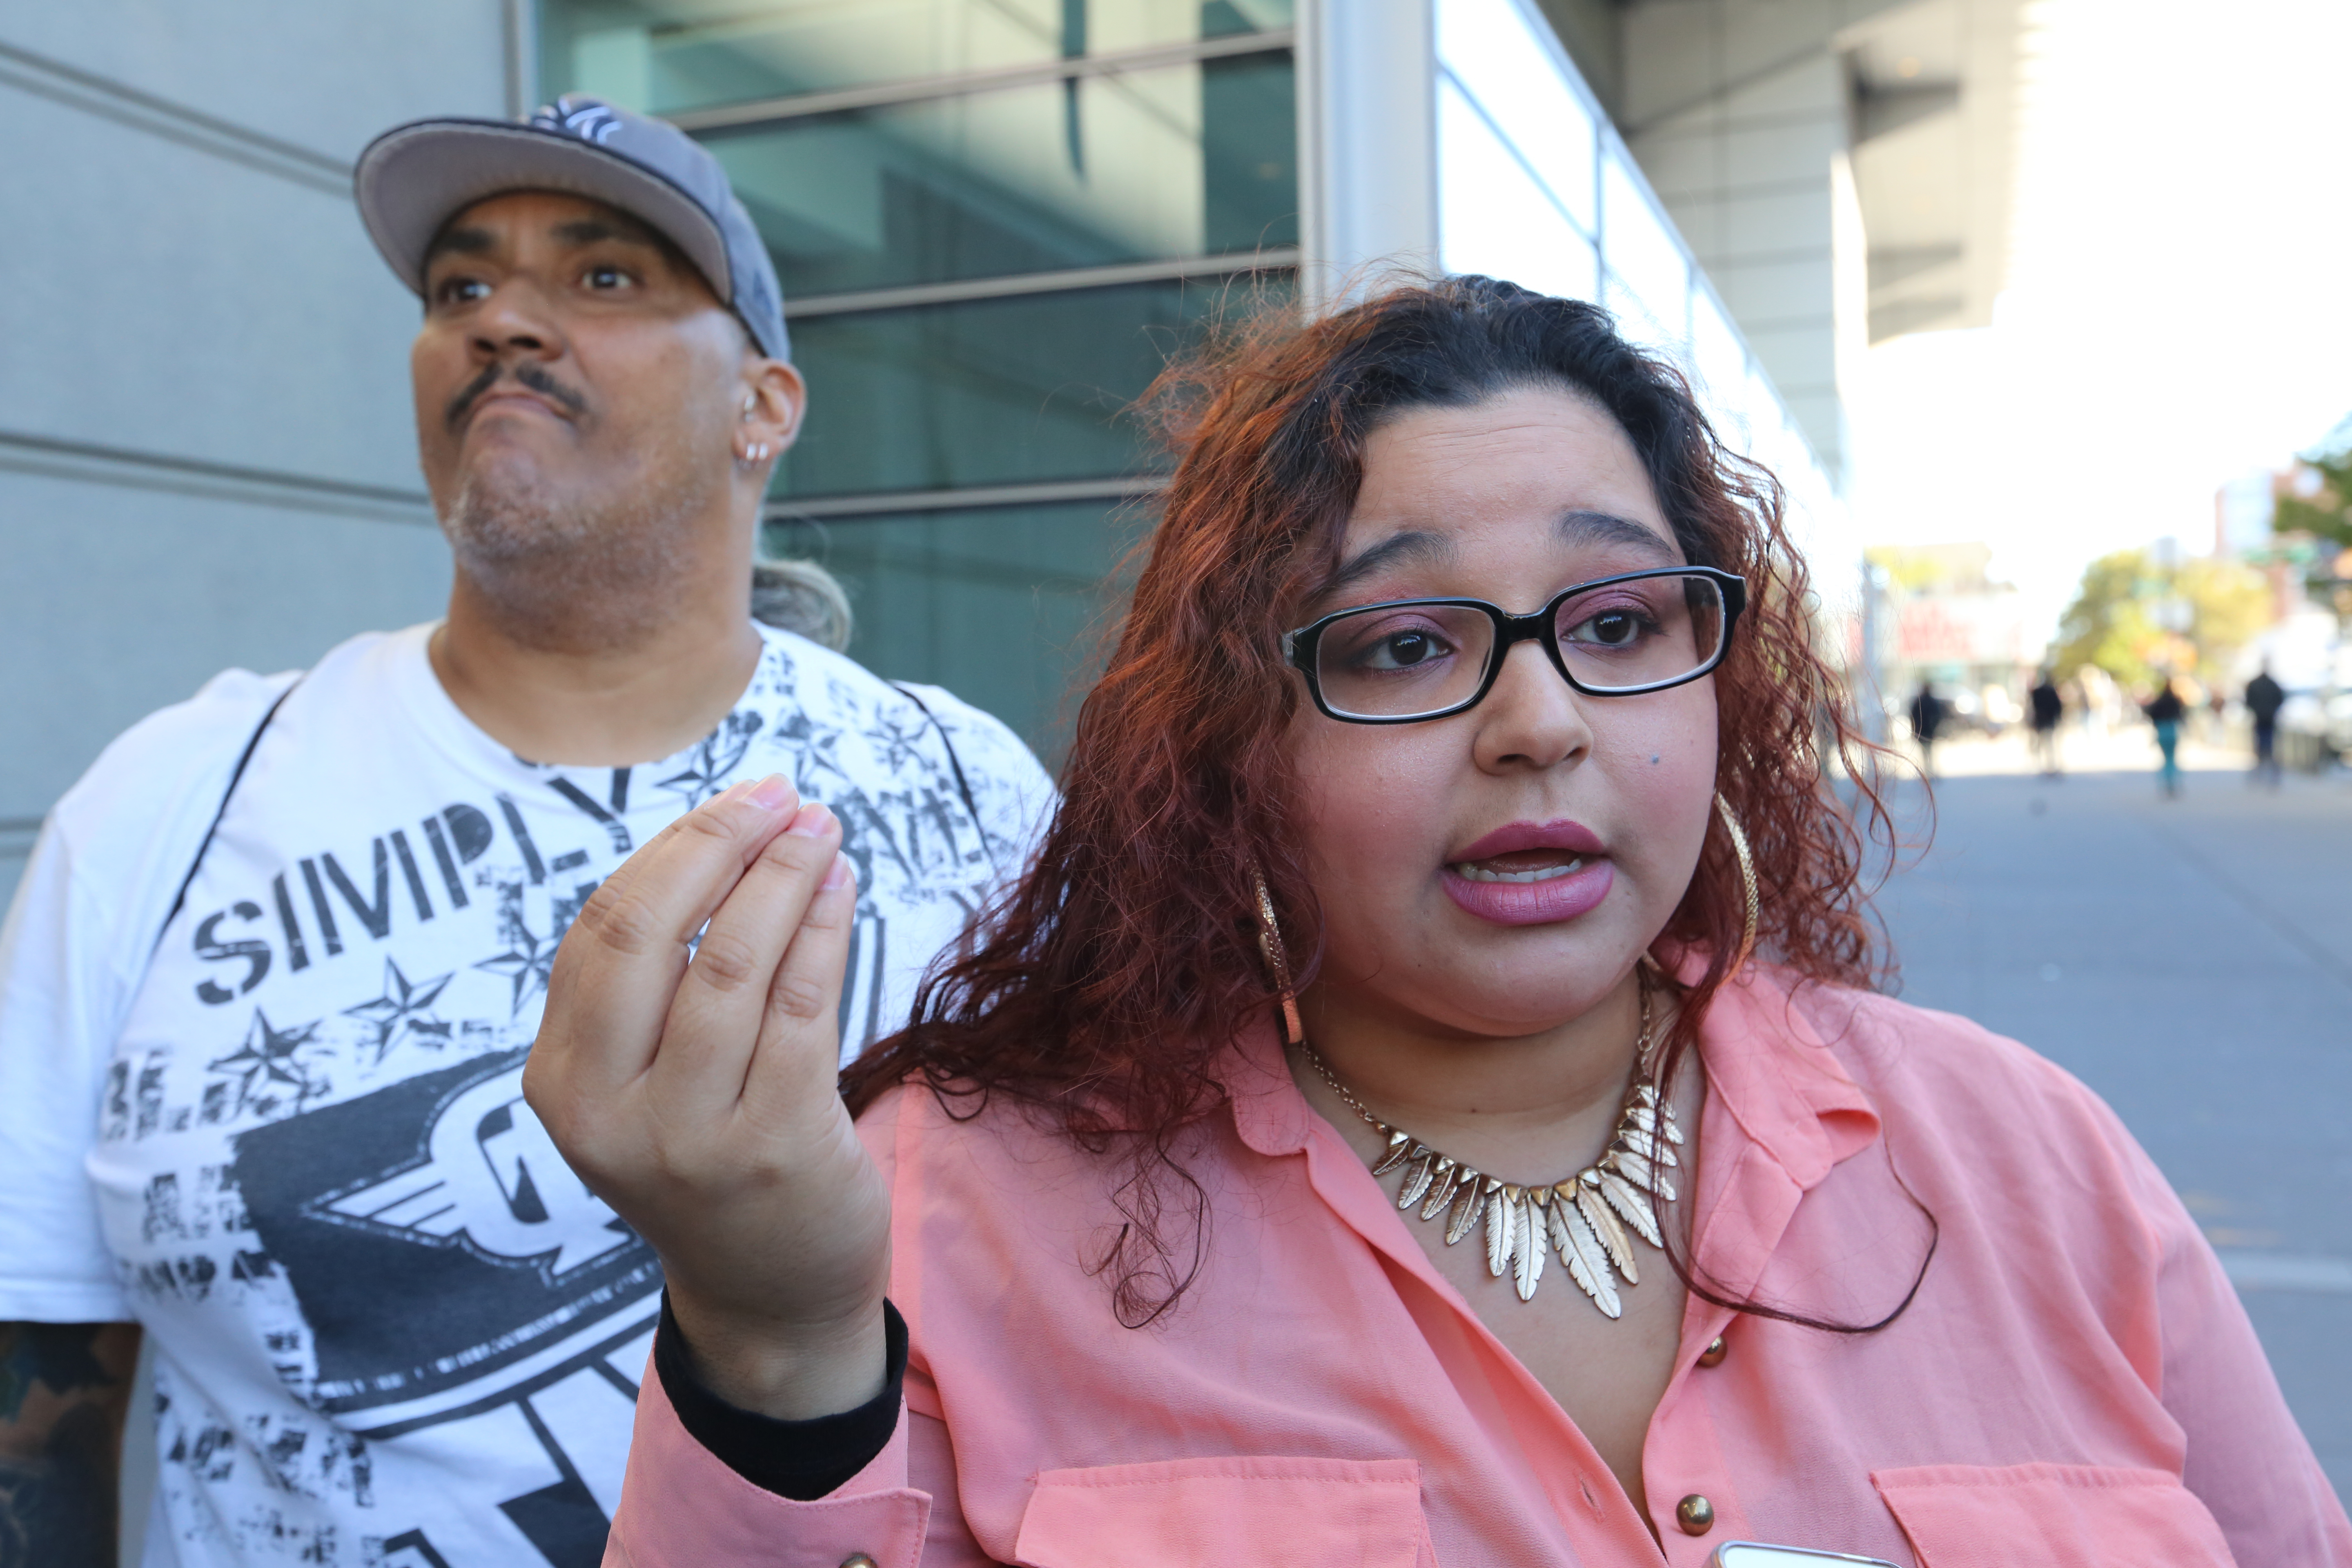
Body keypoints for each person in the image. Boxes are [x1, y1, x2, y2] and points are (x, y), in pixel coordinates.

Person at [528, 280, 2352, 1565]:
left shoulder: (2033, 1163)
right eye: (1405, 646)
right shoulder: (949, 1199)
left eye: (1620, 622)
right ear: (1234, 735)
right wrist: (769, 1349)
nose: (1542, 717)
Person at [0, 97, 1054, 1568]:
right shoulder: (167, 802)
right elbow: (40, 1375)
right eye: (459, 289)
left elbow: (1100, 1309)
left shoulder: (966, 790)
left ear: (765, 402)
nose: (502, 322)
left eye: (603, 276)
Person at [2145, 677, 2188, 797]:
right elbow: (2181, 715)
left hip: (2162, 731)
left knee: (2166, 759)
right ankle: (2172, 781)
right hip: (2172, 730)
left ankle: (2167, 781)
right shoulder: (2175, 700)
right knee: (2172, 759)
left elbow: (2152, 715)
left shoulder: (2159, 701)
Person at [2245, 664, 2286, 788]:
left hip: (2260, 718)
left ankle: (2261, 770)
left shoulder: (2254, 684)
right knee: (2270, 746)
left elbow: (2248, 701)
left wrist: (2256, 710)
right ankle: (2269, 771)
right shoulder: (2273, 684)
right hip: (2269, 718)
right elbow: (2281, 699)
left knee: (2260, 745)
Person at [2028, 668, 2064, 778]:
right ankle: (2050, 766)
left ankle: (2045, 766)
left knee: (2043, 744)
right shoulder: (2051, 691)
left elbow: (2033, 709)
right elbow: (2058, 707)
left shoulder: (2037, 692)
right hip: (2048, 721)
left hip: (2041, 720)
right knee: (2050, 744)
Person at [1905, 678, 1944, 777]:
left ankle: (1928, 772)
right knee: (1929, 752)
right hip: (1928, 731)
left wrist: (1914, 730)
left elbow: (1913, 717)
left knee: (1926, 752)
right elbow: (1938, 717)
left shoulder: (1920, 701)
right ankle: (1929, 771)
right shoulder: (1930, 702)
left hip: (1923, 731)